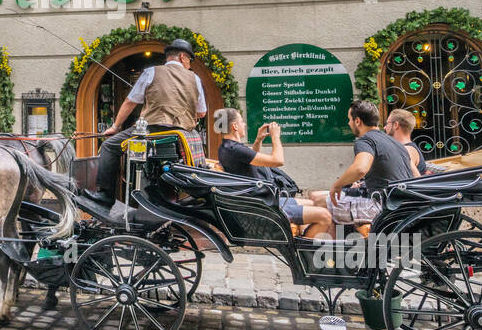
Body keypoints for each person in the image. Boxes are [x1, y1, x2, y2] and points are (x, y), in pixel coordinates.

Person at [92, 39, 206, 204]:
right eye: (190, 60)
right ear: (182, 57)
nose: (189, 64)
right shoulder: (195, 79)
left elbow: (131, 102)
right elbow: (202, 112)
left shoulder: (151, 72)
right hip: (183, 134)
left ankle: (105, 196)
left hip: (153, 131)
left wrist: (115, 127)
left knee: (109, 147)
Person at [214, 108, 331, 237]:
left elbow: (251, 161)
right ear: (235, 126)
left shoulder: (227, 148)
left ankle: (302, 240)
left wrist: (258, 141)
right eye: (242, 121)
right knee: (325, 216)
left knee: (312, 203)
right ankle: (304, 252)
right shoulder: (235, 150)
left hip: (261, 201)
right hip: (264, 208)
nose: (244, 124)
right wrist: (275, 137)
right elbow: (278, 160)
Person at [307, 100, 414, 234]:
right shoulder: (395, 143)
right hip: (400, 205)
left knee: (320, 202)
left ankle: (330, 253)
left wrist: (337, 185)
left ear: (357, 121)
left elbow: (360, 168)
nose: (348, 123)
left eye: (349, 119)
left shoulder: (366, 140)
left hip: (380, 206)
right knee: (326, 200)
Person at [384, 108, 431, 176]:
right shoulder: (407, 148)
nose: (385, 127)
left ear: (395, 125)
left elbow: (417, 178)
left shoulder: (406, 150)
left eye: (387, 123)